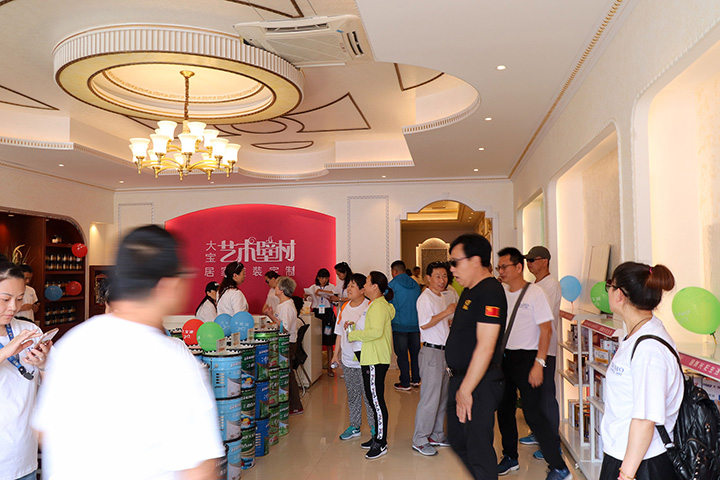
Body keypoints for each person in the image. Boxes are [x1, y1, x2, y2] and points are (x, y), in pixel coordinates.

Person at [33, 226, 224, 480]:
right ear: (168, 285)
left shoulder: (73, 343)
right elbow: (199, 468)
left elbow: (44, 432)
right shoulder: (172, 358)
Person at [599, 262, 682, 480]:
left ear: (619, 294)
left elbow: (645, 420)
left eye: (610, 285)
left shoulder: (649, 349)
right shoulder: (638, 334)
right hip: (624, 454)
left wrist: (626, 475)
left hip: (641, 463)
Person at [495, 247, 570, 480]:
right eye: (498, 267)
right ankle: (510, 457)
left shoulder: (536, 293)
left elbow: (546, 329)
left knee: (534, 414)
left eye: (504, 266)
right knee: (504, 411)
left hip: (528, 359)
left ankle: (558, 466)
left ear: (518, 267)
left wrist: (539, 363)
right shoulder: (501, 293)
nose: (500, 271)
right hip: (505, 358)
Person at [445, 234, 507, 480]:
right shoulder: (470, 291)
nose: (451, 269)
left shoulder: (490, 292)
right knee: (457, 439)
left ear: (475, 260)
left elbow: (486, 346)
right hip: (461, 379)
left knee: (478, 449)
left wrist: (466, 389)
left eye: (455, 262)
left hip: (478, 383)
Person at [0, 260, 50, 480]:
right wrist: (6, 352)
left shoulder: (29, 330)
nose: (13, 307)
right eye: (5, 299)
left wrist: (44, 365)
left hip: (23, 453)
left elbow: (56, 385)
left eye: (19, 299)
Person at [519, 246, 562, 460]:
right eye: (527, 260)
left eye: (532, 260)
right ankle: (538, 434)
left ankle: (552, 443)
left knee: (546, 396)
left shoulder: (550, 285)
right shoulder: (536, 285)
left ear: (545, 261)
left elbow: (540, 315)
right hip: (532, 348)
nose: (529, 264)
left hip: (545, 350)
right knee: (534, 396)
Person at [347, 271, 395, 460]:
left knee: (376, 401)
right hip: (371, 358)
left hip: (375, 359)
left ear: (375, 286)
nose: (364, 286)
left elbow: (375, 332)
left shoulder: (378, 306)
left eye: (367, 282)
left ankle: (381, 443)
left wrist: (353, 335)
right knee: (373, 398)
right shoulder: (376, 305)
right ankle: (377, 437)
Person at [412, 262, 457, 456]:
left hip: (444, 352)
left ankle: (436, 434)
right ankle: (420, 439)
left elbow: (439, 322)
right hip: (431, 352)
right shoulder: (425, 298)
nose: (442, 280)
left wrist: (449, 319)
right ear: (428, 278)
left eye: (444, 276)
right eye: (438, 276)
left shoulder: (441, 296)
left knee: (442, 396)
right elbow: (424, 324)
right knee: (430, 398)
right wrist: (446, 312)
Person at [331, 272, 374, 441]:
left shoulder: (370, 306)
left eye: (353, 286)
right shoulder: (344, 308)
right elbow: (339, 333)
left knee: (369, 396)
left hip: (366, 359)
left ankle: (374, 428)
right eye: (348, 285)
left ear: (363, 290)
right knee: (353, 395)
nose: (348, 289)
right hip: (349, 359)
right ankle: (355, 426)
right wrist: (335, 355)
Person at [271, 276, 304, 415]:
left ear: (282, 290)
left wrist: (271, 316)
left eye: (277, 286)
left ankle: (295, 405)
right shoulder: (282, 305)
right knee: (285, 372)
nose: (274, 288)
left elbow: (284, 328)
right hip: (284, 342)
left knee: (287, 373)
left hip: (288, 343)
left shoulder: (287, 307)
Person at [388, 260, 421, 390]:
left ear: (394, 271)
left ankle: (405, 382)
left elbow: (387, 302)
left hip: (399, 325)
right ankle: (416, 379)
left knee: (402, 354)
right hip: (415, 325)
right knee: (415, 353)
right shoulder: (415, 284)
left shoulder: (392, 285)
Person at [305, 268, 336, 377]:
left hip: (328, 314)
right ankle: (316, 369)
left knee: (329, 341)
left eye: (326, 278)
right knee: (316, 341)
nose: (324, 280)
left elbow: (335, 300)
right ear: (318, 278)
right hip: (317, 313)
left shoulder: (332, 287)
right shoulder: (313, 287)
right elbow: (308, 300)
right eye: (322, 278)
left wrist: (327, 296)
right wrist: (306, 297)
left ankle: (330, 368)